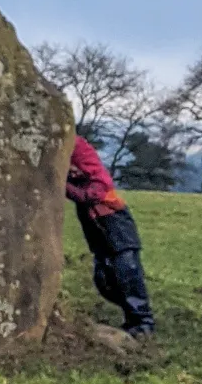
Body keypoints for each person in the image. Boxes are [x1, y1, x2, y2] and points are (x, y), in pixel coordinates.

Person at [66, 134, 156, 340]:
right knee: (104, 280)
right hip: (99, 234)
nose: (72, 171)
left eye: (74, 167)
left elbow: (89, 196)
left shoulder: (97, 178)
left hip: (117, 228)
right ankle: (132, 319)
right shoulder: (78, 177)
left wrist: (60, 180)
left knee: (127, 275)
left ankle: (144, 324)